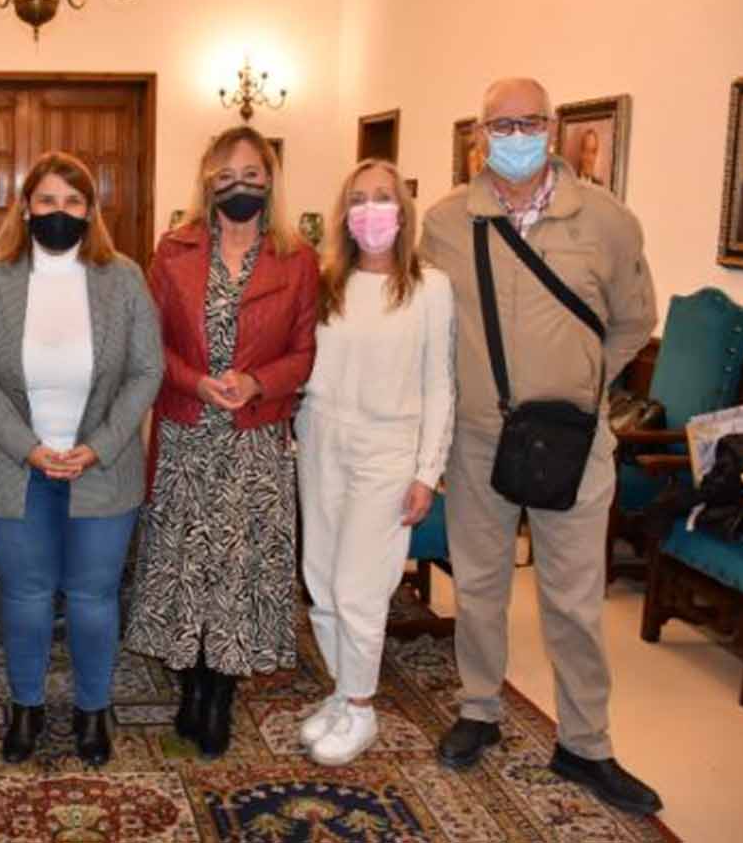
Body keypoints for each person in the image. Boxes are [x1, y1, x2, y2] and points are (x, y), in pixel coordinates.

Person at [420, 77, 661, 814]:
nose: (514, 133)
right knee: (481, 584)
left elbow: (631, 321)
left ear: (552, 129)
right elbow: (429, 320)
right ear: (478, 137)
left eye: (527, 121)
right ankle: (479, 707)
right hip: (477, 436)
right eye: (500, 123)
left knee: (574, 601)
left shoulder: (606, 220)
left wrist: (577, 388)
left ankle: (586, 743)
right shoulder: (445, 222)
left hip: (571, 438)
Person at [0, 151, 162, 767]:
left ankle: (93, 710)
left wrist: (97, 446)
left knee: (95, 597)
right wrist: (30, 447)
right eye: (47, 201)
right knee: (25, 595)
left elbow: (148, 369)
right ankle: (26, 706)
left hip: (103, 464)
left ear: (91, 211)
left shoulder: (122, 277)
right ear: (25, 207)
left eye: (73, 203)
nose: (59, 213)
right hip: (15, 467)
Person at [128, 125, 318, 759]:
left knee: (238, 569)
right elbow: (148, 345)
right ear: (208, 181)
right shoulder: (174, 250)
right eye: (226, 176)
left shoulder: (298, 258)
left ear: (271, 181)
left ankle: (222, 692)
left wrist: (256, 381)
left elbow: (304, 353)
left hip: (255, 442)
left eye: (253, 176)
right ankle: (190, 682)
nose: (239, 187)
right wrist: (197, 381)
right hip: (186, 430)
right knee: (186, 564)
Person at [295, 159, 455, 766]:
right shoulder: (326, 282)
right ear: (344, 214)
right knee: (321, 580)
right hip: (321, 440)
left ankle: (361, 709)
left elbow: (441, 386)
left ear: (404, 211)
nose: (370, 209)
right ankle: (341, 694)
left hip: (389, 449)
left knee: (361, 587)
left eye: (383, 198)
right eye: (358, 198)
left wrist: (426, 472)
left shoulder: (429, 288)